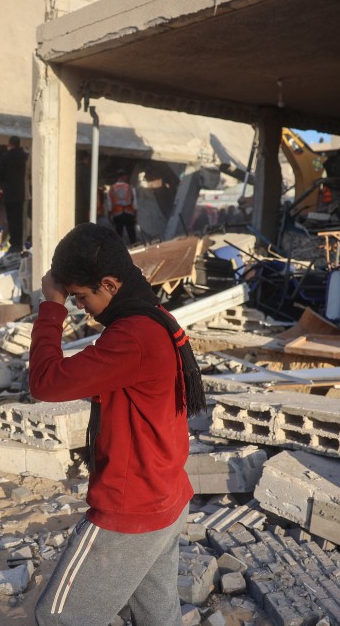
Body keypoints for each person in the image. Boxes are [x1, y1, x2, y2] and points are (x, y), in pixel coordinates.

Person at [30, 223, 205, 626]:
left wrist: (51, 306)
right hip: (167, 497)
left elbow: (44, 381)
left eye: (79, 296)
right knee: (157, 615)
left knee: (57, 617)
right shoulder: (154, 316)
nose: (79, 307)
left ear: (109, 284)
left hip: (132, 511)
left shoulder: (133, 336)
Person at [0, 135, 28, 254]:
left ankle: (14, 244)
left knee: (12, 219)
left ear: (9, 144)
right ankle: (20, 243)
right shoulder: (25, 157)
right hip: (22, 193)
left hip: (9, 192)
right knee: (20, 219)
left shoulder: (6, 157)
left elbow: (0, 174)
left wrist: (0, 186)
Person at [106, 170, 137, 244]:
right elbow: (135, 203)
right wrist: (135, 214)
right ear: (123, 177)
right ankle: (135, 246)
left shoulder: (112, 189)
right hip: (129, 214)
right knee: (132, 234)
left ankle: (118, 251)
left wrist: (109, 215)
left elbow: (109, 204)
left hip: (117, 215)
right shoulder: (130, 187)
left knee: (118, 236)